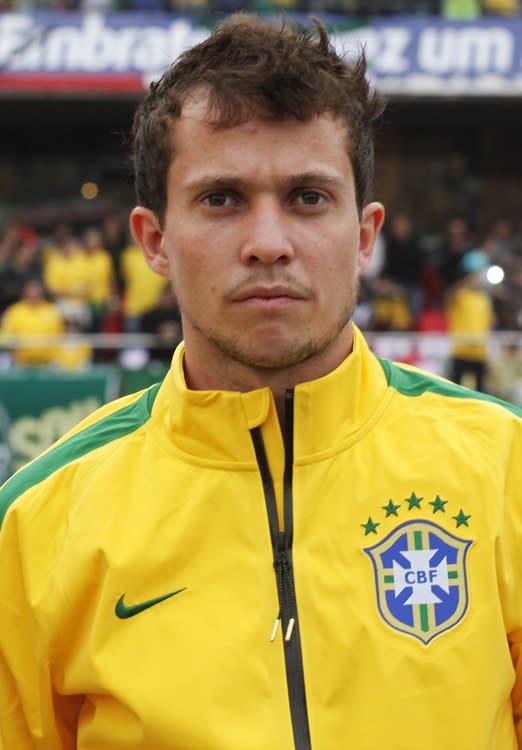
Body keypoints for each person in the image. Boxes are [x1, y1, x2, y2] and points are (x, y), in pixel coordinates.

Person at [0, 14, 521, 750]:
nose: (268, 244)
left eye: (308, 197)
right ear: (154, 240)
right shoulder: (33, 527)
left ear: (365, 235)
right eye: (222, 199)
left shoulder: (506, 472)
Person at [445, 248, 495, 392]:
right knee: (456, 392)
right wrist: (468, 281)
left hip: (479, 353)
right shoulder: (461, 295)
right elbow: (449, 296)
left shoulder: (485, 299)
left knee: (481, 394)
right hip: (461, 351)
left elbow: (488, 326)